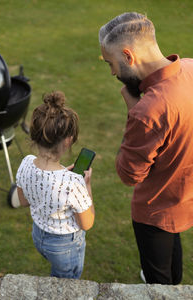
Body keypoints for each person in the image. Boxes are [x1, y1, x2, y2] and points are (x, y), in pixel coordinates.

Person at [99, 12, 193, 284]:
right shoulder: (190, 67)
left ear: (128, 56)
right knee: (172, 258)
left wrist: (134, 110)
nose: (113, 72)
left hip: (155, 208)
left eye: (111, 63)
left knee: (158, 280)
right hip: (183, 194)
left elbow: (129, 174)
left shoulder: (148, 112)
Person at [16, 91, 95, 279]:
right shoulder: (74, 183)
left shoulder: (26, 162)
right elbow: (87, 223)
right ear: (68, 141)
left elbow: (24, 201)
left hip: (38, 236)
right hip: (64, 247)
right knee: (64, 285)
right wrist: (87, 186)